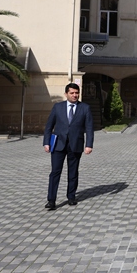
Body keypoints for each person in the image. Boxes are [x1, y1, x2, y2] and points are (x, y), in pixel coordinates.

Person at [43, 82, 94, 210]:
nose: (75, 95)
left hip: (75, 145)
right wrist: (46, 142)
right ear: (66, 94)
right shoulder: (58, 107)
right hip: (58, 144)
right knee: (55, 172)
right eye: (72, 93)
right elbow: (49, 126)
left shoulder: (85, 108)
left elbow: (89, 128)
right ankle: (51, 200)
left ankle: (71, 196)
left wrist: (88, 145)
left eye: (77, 93)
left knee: (73, 172)